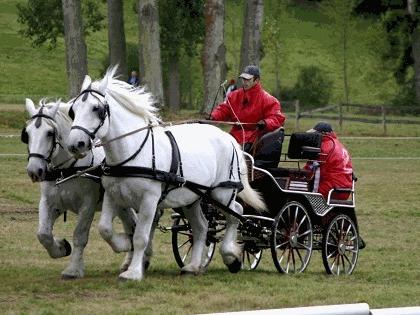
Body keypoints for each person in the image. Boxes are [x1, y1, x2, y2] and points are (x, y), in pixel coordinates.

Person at [211, 65, 286, 153]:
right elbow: (224, 109)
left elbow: (277, 117)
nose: (245, 82)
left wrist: (265, 122)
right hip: (234, 135)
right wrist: (213, 117)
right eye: (243, 79)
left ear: (257, 80)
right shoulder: (234, 95)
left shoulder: (268, 99)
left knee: (234, 152)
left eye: (248, 79)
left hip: (254, 137)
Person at [305, 122, 353, 200]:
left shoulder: (323, 147)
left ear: (322, 134)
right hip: (346, 190)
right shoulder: (339, 145)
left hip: (329, 189)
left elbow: (310, 170)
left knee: (301, 188)